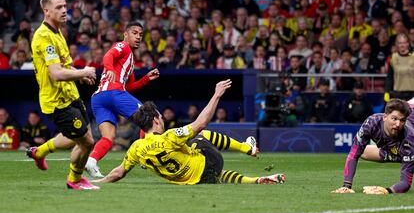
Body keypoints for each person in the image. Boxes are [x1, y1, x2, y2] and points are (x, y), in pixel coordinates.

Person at [95, 80, 286, 185]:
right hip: (210, 162)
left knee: (213, 173)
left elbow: (119, 172)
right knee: (199, 135)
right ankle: (247, 149)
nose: (162, 119)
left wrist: (100, 181)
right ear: (155, 120)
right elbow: (201, 123)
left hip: (192, 179)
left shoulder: (136, 148)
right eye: (160, 117)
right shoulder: (170, 136)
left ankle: (255, 180)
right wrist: (216, 95)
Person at [27, 0, 99, 190]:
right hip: (56, 100)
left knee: (80, 139)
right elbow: (56, 73)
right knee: (86, 142)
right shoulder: (43, 37)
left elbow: (65, 66)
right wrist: (83, 71)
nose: (64, 10)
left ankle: (40, 152)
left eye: (65, 6)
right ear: (46, 11)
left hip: (70, 95)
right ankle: (74, 180)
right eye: (59, 7)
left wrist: (80, 74)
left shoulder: (57, 32)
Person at [85, 21, 160, 178]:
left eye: (140, 34)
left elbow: (130, 87)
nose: (138, 37)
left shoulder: (130, 60)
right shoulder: (123, 46)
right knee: (151, 117)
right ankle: (144, 156)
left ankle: (91, 162)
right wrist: (110, 69)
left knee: (109, 136)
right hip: (113, 93)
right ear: (125, 35)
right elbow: (108, 55)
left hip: (99, 99)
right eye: (134, 33)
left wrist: (146, 78)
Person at [332, 98, 414, 194]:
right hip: (395, 148)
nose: (398, 124)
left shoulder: (409, 138)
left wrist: (387, 190)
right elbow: (353, 154)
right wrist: (346, 186)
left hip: (408, 146)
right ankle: (395, 155)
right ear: (385, 117)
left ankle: (401, 157)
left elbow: (405, 183)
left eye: (402, 120)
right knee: (361, 151)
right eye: (394, 119)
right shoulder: (372, 123)